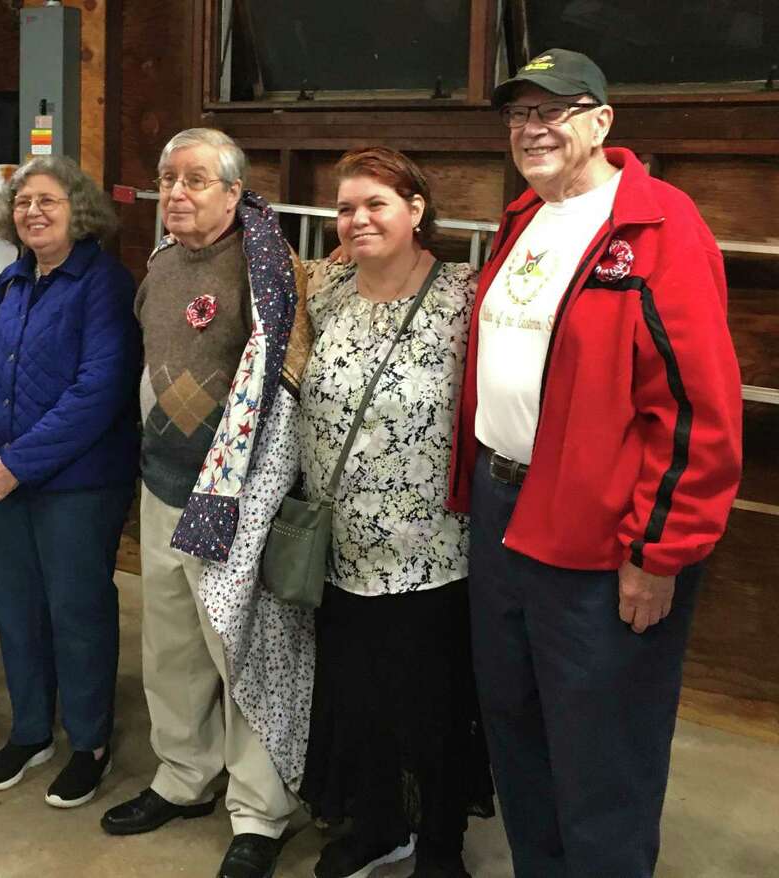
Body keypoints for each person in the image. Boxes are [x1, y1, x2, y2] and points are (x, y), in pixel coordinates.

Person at [447, 49, 742, 876]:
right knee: (516, 724)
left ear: (603, 121)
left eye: (554, 111)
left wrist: (660, 553)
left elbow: (697, 411)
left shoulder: (659, 225)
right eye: (518, 115)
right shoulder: (523, 219)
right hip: (505, 516)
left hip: (603, 533)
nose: (532, 129)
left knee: (603, 750)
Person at [100, 127, 314, 878]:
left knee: (242, 651)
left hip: (235, 501)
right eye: (169, 179)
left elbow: (290, 380)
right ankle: (184, 776)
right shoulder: (160, 263)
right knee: (173, 645)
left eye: (195, 181)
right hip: (162, 488)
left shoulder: (268, 268)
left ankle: (260, 810)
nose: (178, 195)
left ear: (234, 191)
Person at [298, 147, 491, 878]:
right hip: (340, 546)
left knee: (431, 705)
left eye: (376, 203)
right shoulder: (325, 287)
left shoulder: (463, 295)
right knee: (357, 699)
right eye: (346, 207)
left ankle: (440, 846)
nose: (358, 219)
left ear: (416, 210)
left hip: (431, 549)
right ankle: (379, 825)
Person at [0, 155, 139, 809]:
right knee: (17, 607)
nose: (32, 211)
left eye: (49, 201)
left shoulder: (105, 285)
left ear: (79, 210)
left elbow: (100, 390)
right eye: (24, 201)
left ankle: (87, 743)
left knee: (77, 612)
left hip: (78, 484)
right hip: (2, 478)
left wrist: (17, 464)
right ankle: (31, 731)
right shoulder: (11, 283)